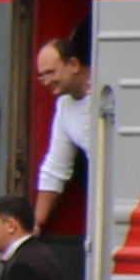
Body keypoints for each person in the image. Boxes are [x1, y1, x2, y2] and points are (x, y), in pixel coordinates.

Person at [31, 40, 97, 233]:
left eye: (51, 72)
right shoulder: (64, 106)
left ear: (74, 65)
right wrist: (37, 224)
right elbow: (55, 168)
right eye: (42, 76)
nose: (46, 82)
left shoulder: (109, 89)